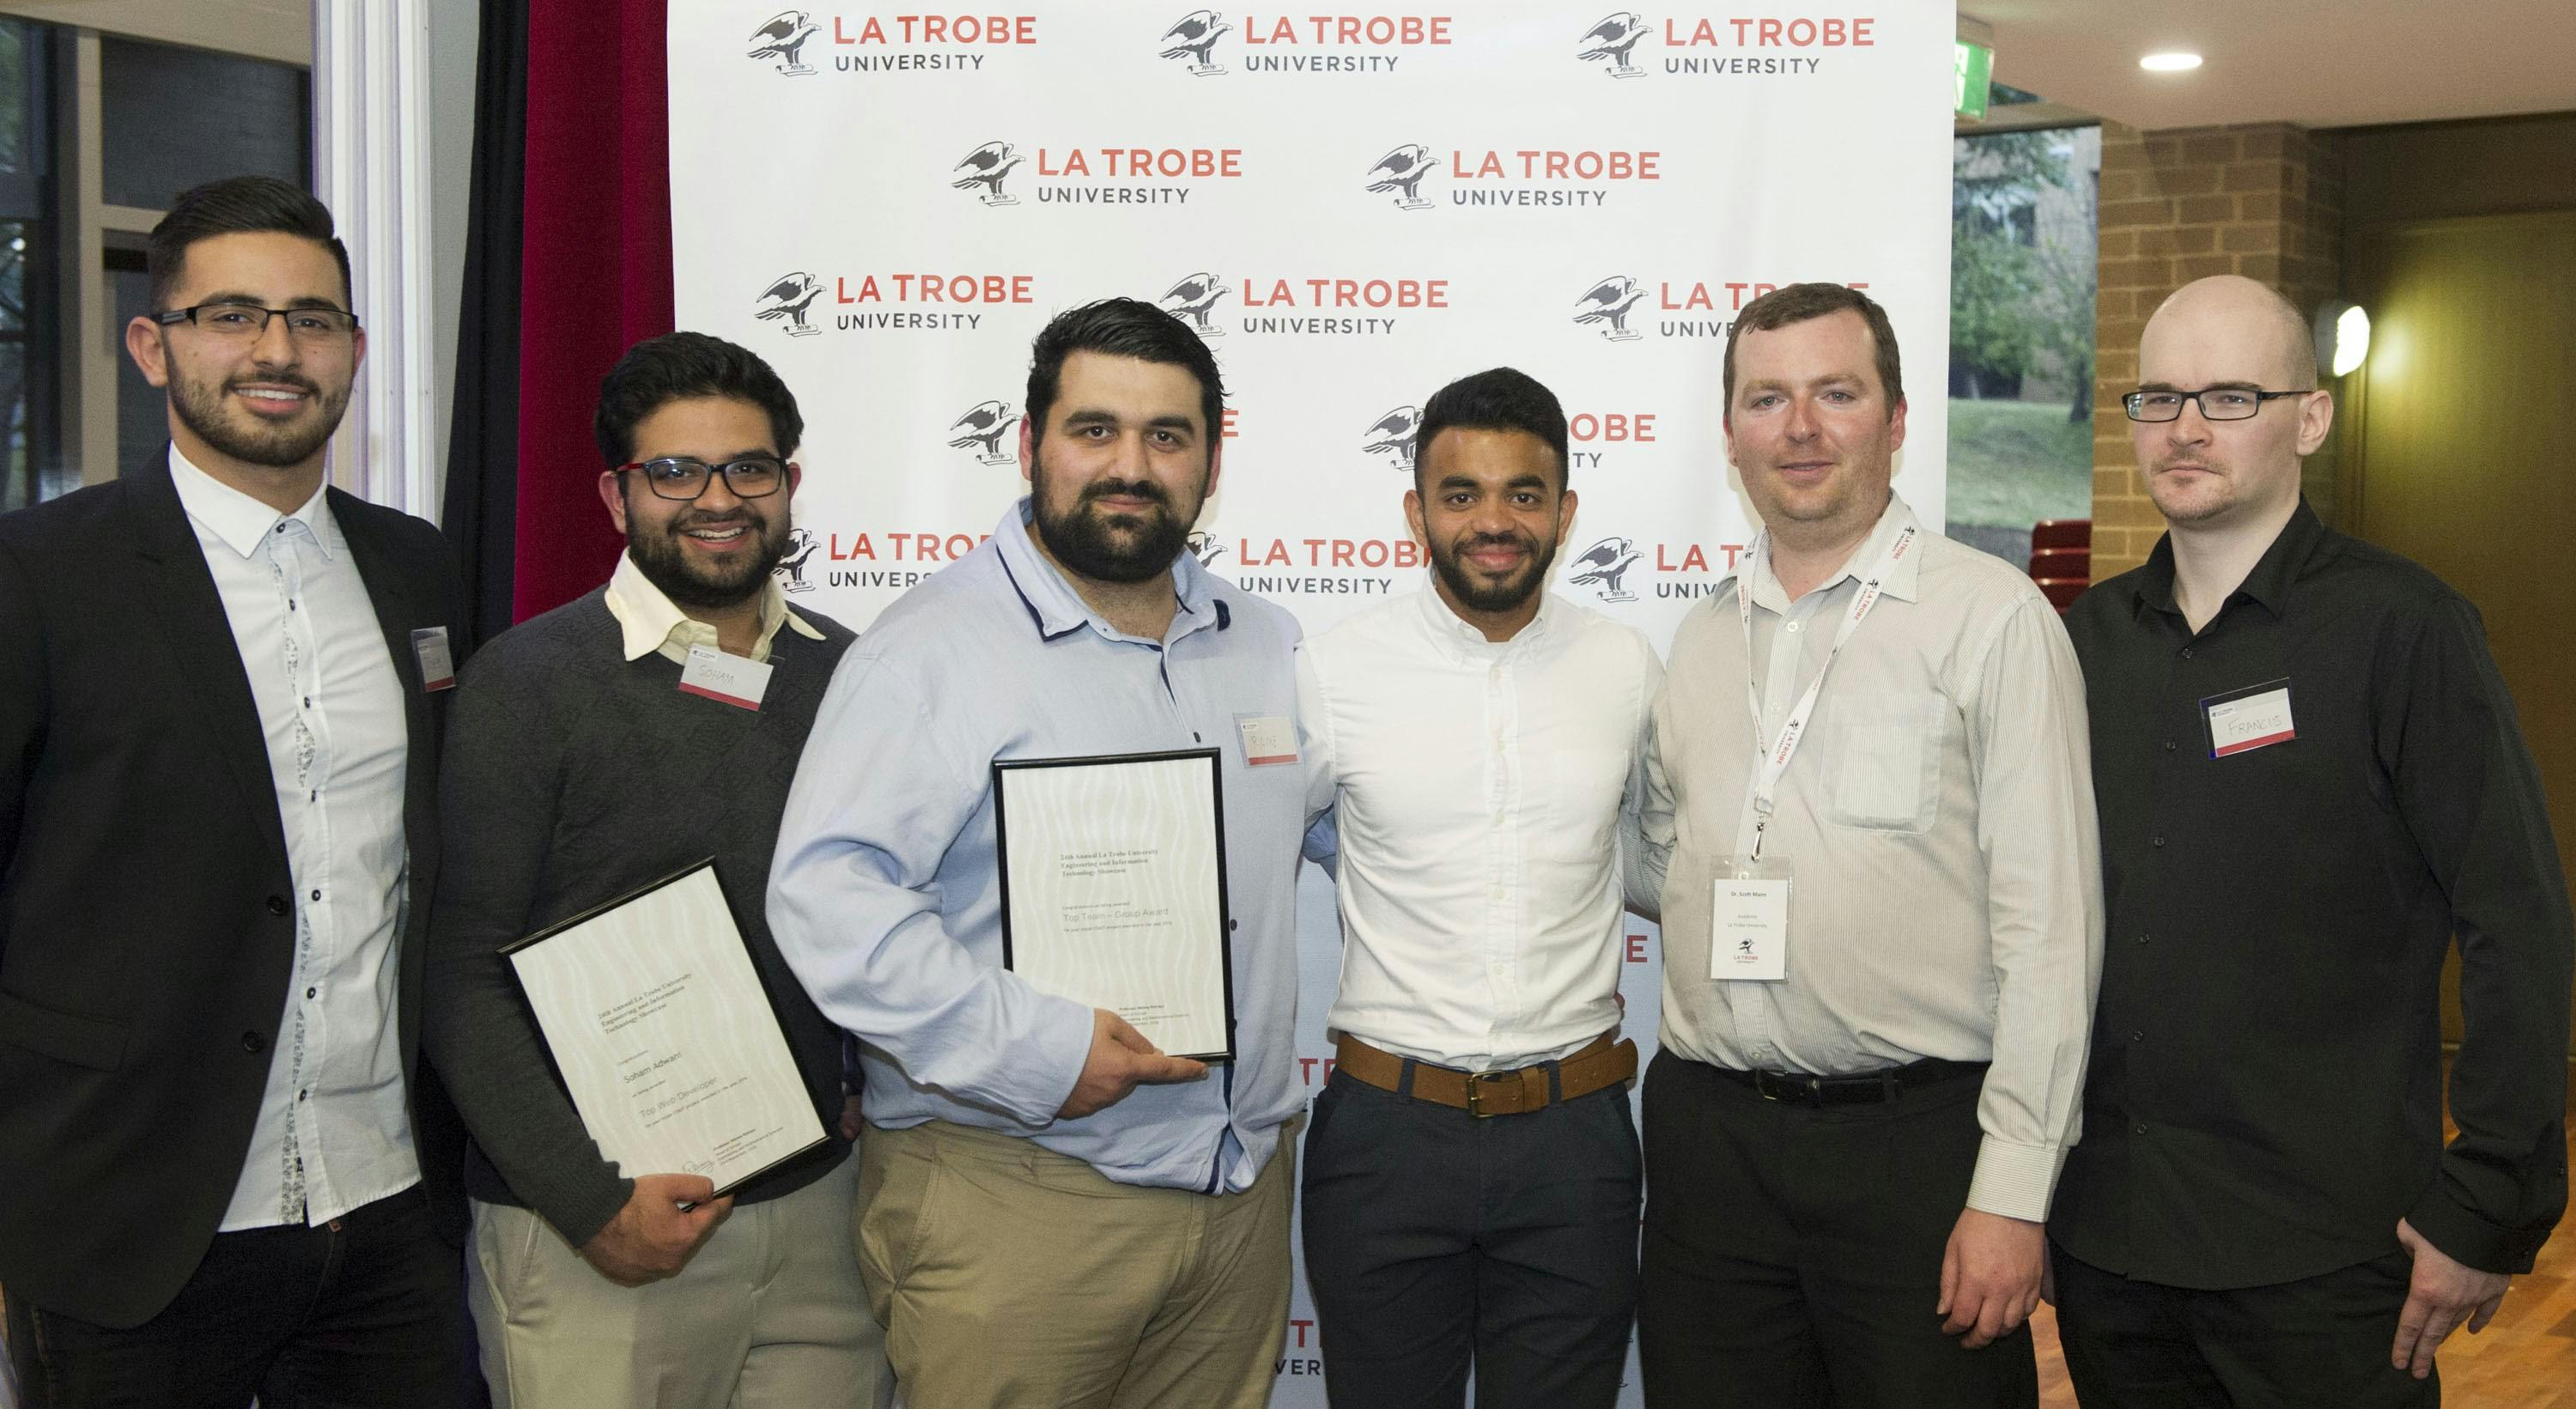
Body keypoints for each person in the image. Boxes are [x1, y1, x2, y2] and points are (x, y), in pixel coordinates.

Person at [766, 297, 1309, 1408]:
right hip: (1016, 1202)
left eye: (1168, 435)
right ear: (1029, 444)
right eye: (1094, 429)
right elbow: (827, 897)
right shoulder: (935, 649)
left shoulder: (1264, 642)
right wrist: (1040, 1047)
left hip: (1235, 1198)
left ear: (1212, 458)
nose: (1131, 465)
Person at [2049, 274, 2573, 1406]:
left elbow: (2515, 915)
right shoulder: (2089, 643)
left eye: (2231, 396)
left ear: (2312, 418)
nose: (2186, 428)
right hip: (2111, 1245)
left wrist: (2488, 1192)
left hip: (2328, 1255)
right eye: (2160, 398)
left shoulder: (2404, 630)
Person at [0, 175, 469, 1404]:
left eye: (313, 319)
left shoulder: (420, 567)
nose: (277, 350)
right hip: (125, 1221)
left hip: (386, 1211)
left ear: (356, 349)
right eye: (232, 316)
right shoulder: (40, 574)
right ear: (154, 345)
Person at [1625, 282, 2101, 1407]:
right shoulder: (1694, 641)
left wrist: (2015, 1190)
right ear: (1730, 433)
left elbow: (2052, 927)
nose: (1800, 426)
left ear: (1894, 420)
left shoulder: (1992, 620)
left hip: (1918, 1154)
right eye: (1767, 398)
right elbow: (1661, 865)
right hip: (1710, 1150)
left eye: (1836, 393)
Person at [421, 332, 890, 1408]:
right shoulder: (526, 684)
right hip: (595, 1235)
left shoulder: (852, 674)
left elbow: (871, 916)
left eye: (750, 468)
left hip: (822, 1219)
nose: (717, 499)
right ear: (615, 494)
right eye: (675, 472)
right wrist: (589, 1204)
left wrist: (865, 1075)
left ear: (789, 484)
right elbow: (459, 975)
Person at [1295, 367, 1660, 1407]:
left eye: (1523, 494)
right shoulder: (1331, 673)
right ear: (1416, 512)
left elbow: (1668, 854)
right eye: (1461, 495)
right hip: (1385, 1137)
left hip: (1575, 1142)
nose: (1493, 521)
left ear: (1566, 511)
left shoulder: (1626, 666)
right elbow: (1274, 850)